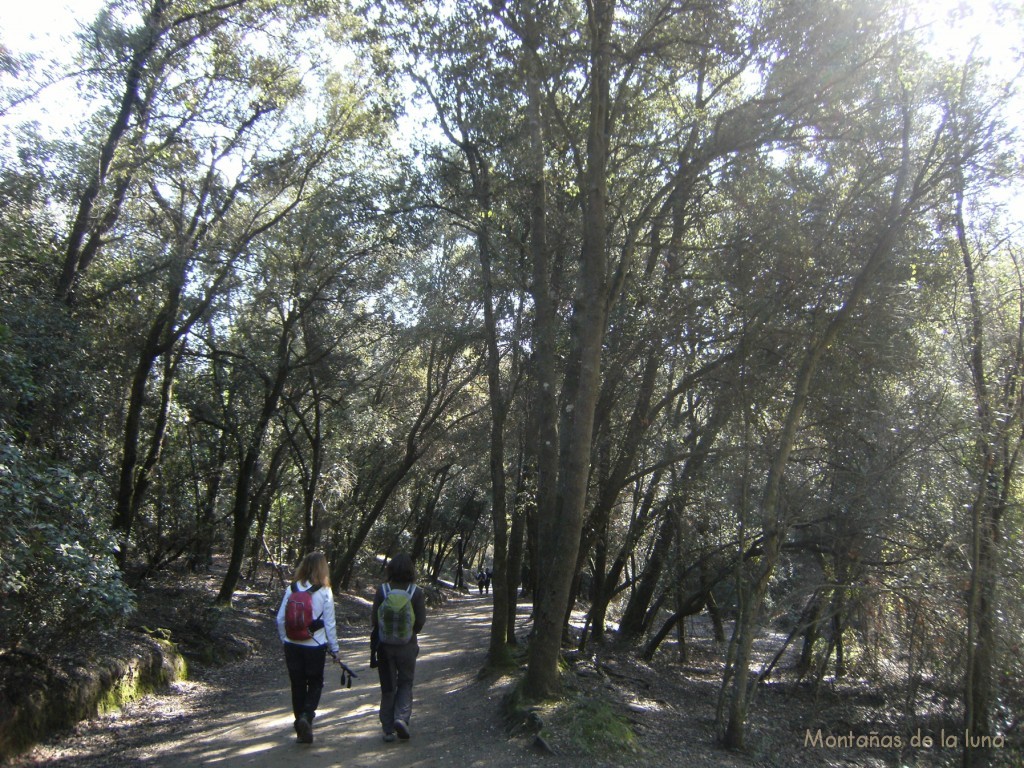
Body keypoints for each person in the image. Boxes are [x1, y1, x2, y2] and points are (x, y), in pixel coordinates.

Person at [276, 551, 341, 745]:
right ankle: (306, 716)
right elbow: (329, 624)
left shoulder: (292, 588)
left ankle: (300, 728)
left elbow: (279, 618)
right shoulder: (324, 591)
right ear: (323, 568)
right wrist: (335, 649)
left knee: (297, 685)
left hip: (292, 645)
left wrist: (284, 639)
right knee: (315, 683)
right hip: (315, 646)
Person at [372, 552, 427, 743]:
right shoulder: (416, 592)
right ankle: (401, 718)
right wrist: (408, 632)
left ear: (391, 569)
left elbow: (374, 620)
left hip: (385, 648)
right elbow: (419, 622)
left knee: (388, 686)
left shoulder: (383, 590)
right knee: (405, 683)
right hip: (408, 646)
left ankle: (387, 729)